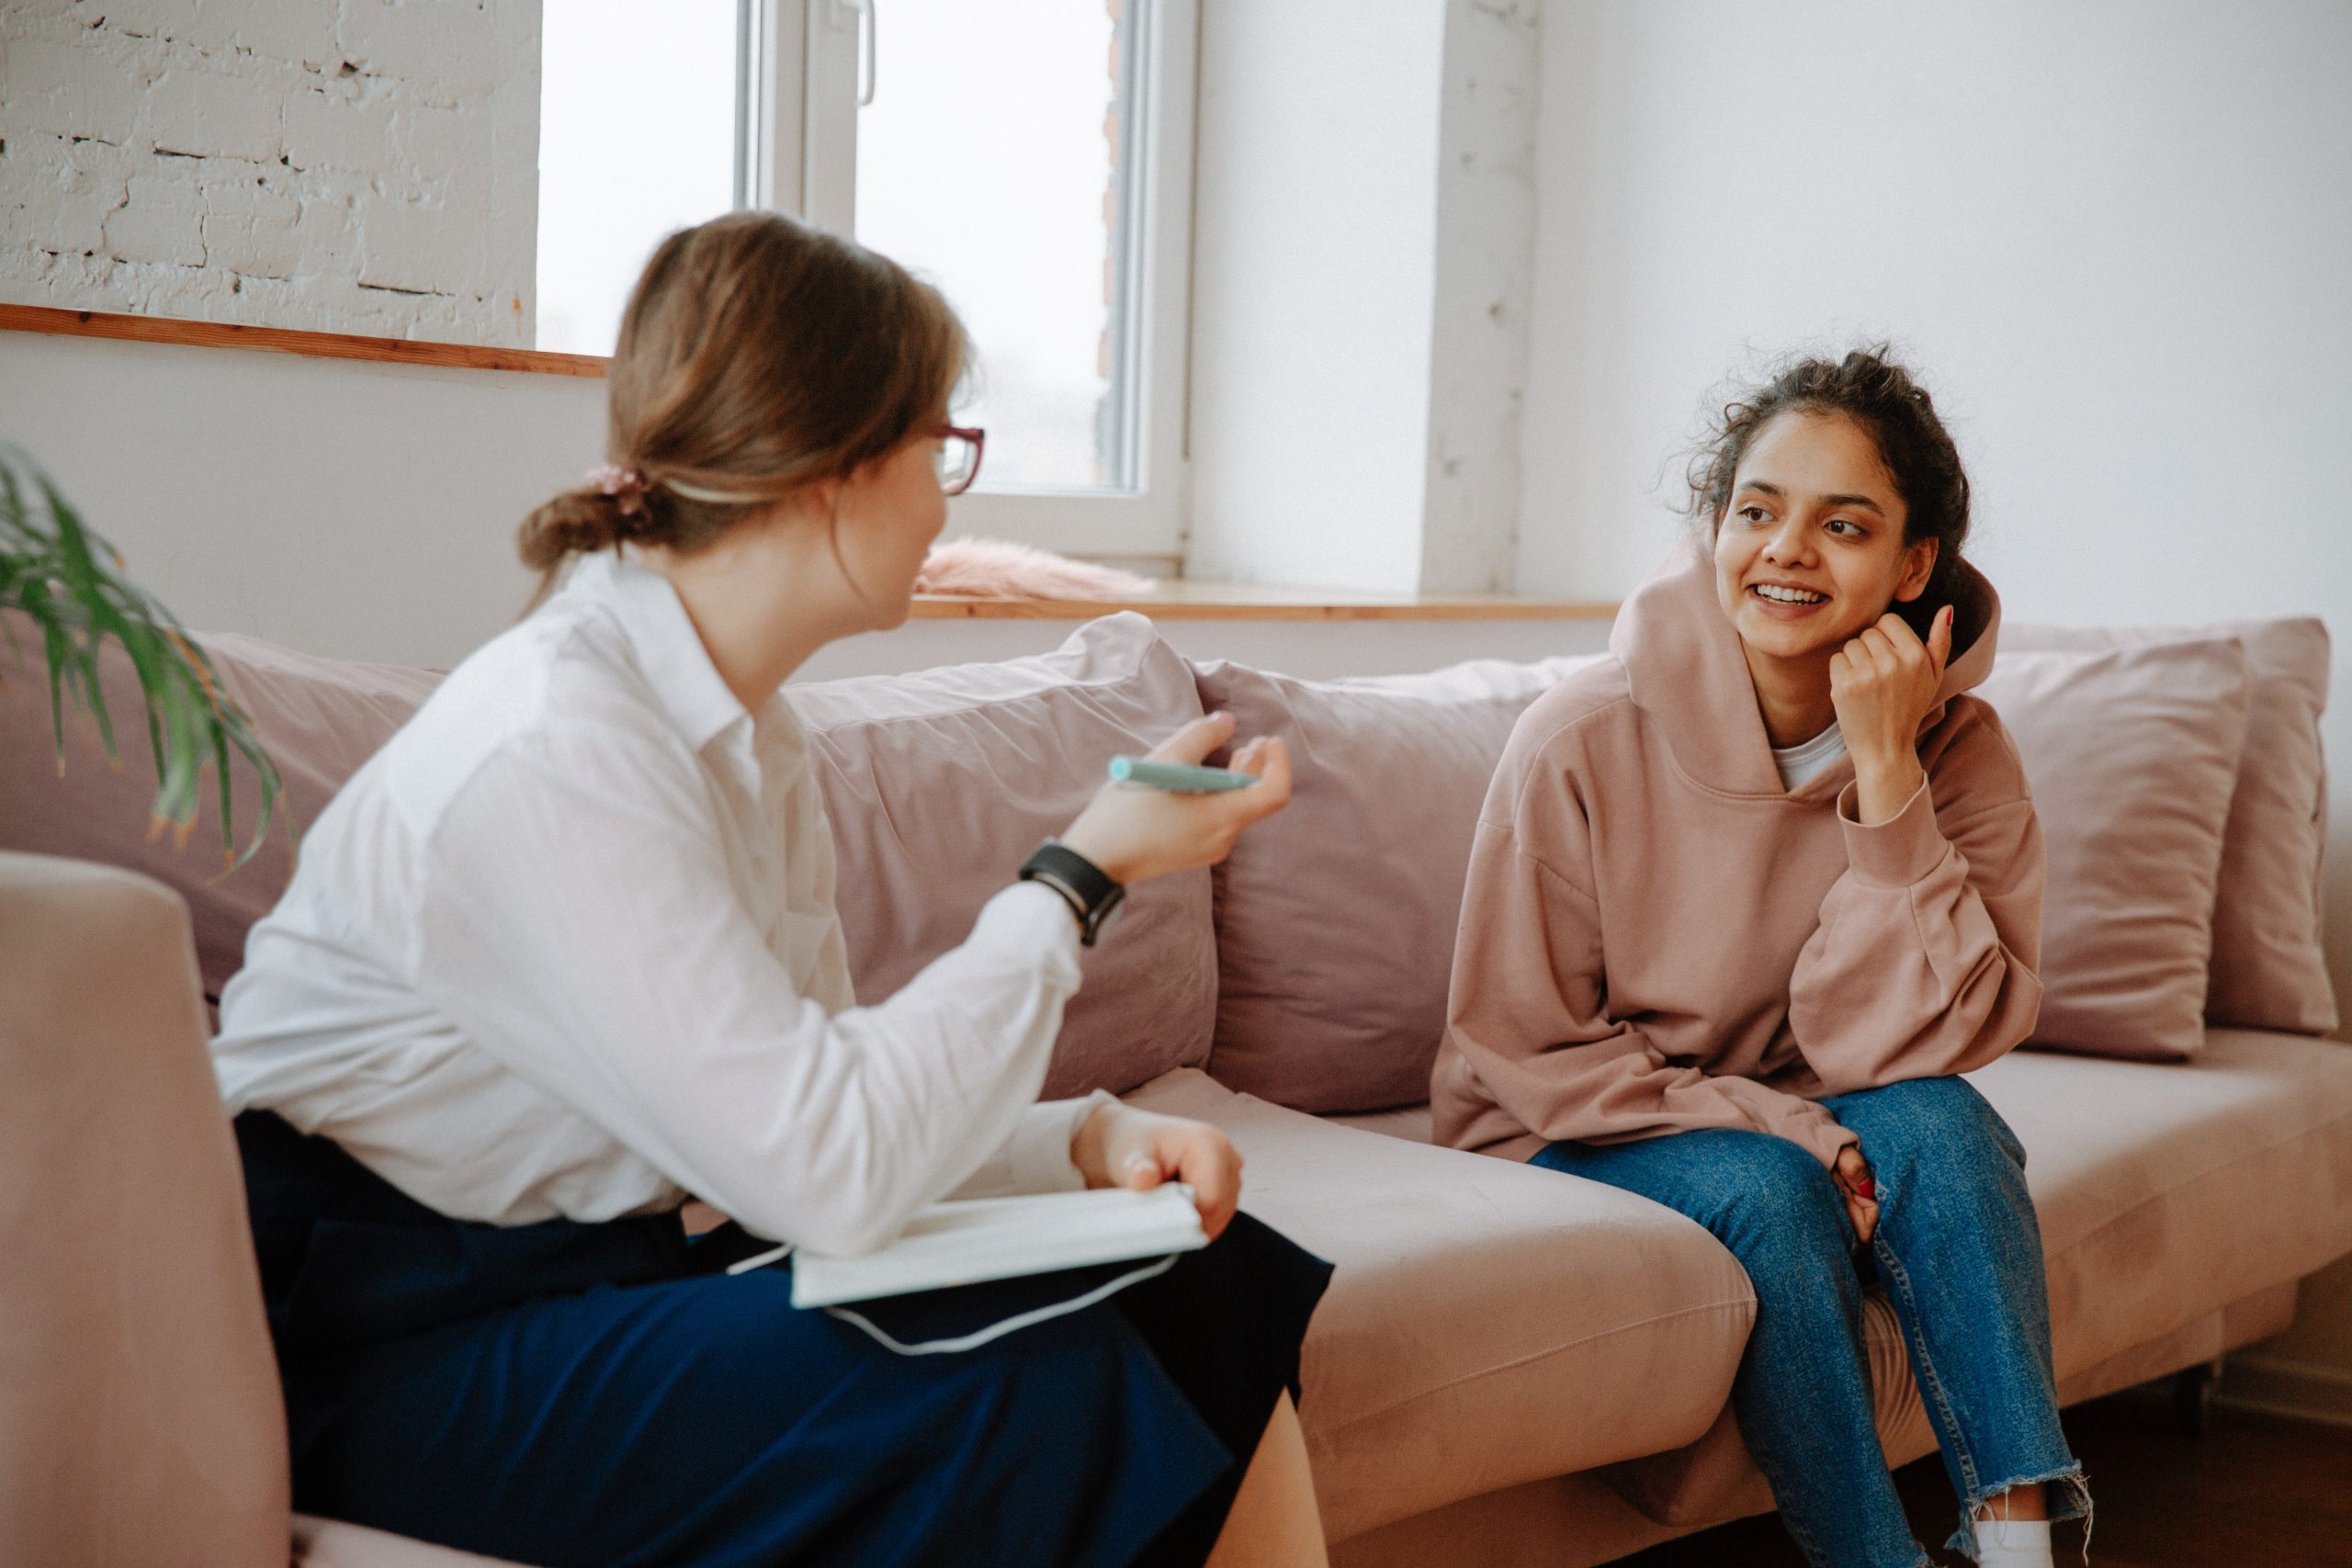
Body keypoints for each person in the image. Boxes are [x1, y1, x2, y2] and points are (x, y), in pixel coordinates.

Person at [211, 211, 1333, 1568]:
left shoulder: (751, 734)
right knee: (1019, 1382)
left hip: (583, 1281)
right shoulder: (562, 743)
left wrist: (1081, 1146)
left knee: (1202, 1276)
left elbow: (819, 1095)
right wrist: (1080, 873)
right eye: (945, 448)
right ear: (833, 468)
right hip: (370, 1346)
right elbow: (831, 1173)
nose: (947, 496)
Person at [1433, 349, 2088, 1568]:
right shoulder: (1577, 738)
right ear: (1715, 529)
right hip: (1569, 1123)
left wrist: (1888, 781)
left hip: (1798, 1102)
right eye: (1756, 511)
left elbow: (1933, 1042)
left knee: (1946, 1124)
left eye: (1842, 525)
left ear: (1912, 567)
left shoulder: (1962, 752)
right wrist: (1793, 1130)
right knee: (1777, 1193)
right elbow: (1522, 1045)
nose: (1786, 549)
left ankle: (2021, 1545)